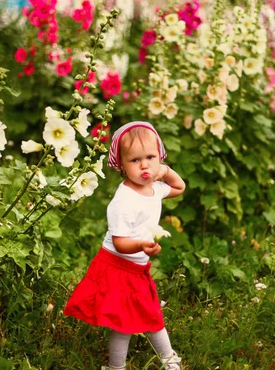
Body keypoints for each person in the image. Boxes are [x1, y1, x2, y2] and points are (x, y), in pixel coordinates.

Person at [64, 121, 186, 370]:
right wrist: (142, 244)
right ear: (121, 165)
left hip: (135, 266)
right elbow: (120, 243)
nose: (144, 165)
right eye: (135, 160)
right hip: (118, 265)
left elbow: (179, 187)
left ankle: (168, 361)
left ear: (159, 157)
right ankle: (132, 366)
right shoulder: (124, 200)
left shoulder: (155, 188)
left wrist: (165, 170)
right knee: (127, 322)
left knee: (143, 316)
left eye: (150, 157)